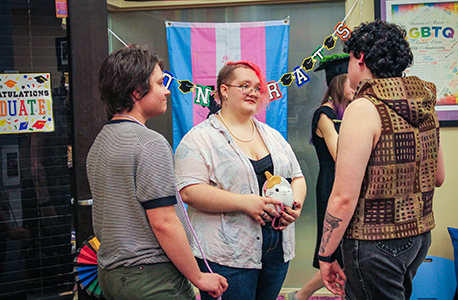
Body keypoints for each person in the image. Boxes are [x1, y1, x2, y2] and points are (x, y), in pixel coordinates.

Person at [86, 45, 228, 300]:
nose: (166, 90)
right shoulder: (149, 142)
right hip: (151, 278)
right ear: (137, 92)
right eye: (160, 83)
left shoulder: (101, 142)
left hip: (111, 274)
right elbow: (163, 222)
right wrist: (197, 276)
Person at [318, 19, 445, 300]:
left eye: (350, 58)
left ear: (360, 57)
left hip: (375, 242)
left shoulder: (364, 107)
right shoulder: (423, 101)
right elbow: (437, 177)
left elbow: (343, 197)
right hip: (419, 236)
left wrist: (325, 254)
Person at [174, 60, 307, 300]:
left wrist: (295, 205)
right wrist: (245, 202)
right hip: (227, 255)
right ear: (223, 90)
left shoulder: (272, 135)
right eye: (245, 85)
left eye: (257, 88)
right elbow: (190, 192)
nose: (253, 92)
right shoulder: (199, 139)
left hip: (277, 249)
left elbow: (297, 177)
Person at [287, 73, 354, 300]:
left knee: (347, 248)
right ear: (337, 84)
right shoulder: (324, 114)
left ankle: (301, 295)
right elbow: (339, 155)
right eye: (350, 83)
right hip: (332, 184)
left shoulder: (345, 112)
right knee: (335, 247)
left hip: (348, 184)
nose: (355, 87)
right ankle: (302, 294)